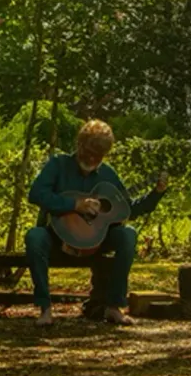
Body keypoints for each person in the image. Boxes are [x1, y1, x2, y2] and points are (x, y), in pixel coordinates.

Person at [25, 119, 168, 326]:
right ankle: (45, 309)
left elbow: (129, 209)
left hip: (95, 243)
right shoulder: (58, 165)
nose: (92, 158)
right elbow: (36, 194)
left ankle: (114, 307)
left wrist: (156, 194)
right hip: (57, 239)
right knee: (34, 236)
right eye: (88, 152)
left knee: (128, 234)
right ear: (79, 145)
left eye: (98, 155)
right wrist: (74, 205)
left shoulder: (108, 175)